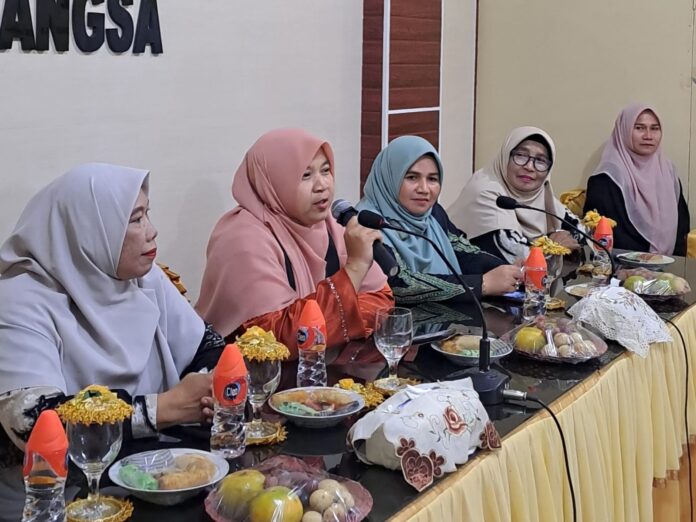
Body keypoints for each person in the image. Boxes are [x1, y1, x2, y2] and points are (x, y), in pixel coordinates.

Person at [0, 163, 228, 520]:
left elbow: (208, 346)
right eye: (135, 220)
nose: (152, 231)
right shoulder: (19, 299)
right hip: (59, 500)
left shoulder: (145, 278)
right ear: (88, 232)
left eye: (147, 214)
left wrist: (206, 390)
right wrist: (161, 409)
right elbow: (34, 421)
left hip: (153, 475)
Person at [196, 129, 393, 359]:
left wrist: (336, 319)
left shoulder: (330, 225)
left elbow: (381, 299)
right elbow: (277, 340)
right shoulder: (242, 238)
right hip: (254, 376)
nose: (322, 185)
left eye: (326, 171)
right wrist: (355, 270)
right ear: (274, 181)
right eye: (305, 175)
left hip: (320, 370)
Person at [356, 136, 523, 303]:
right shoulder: (366, 222)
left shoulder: (432, 213)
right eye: (412, 177)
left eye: (432, 179)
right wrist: (481, 284)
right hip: (394, 318)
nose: (424, 189)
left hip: (445, 316)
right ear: (389, 176)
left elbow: (463, 252)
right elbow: (398, 284)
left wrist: (510, 271)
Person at [448, 127, 583, 263]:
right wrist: (554, 245)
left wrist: (559, 237)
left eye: (540, 161)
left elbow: (581, 231)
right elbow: (517, 256)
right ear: (506, 156)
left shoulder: (540, 195)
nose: (529, 167)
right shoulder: (485, 193)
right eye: (521, 155)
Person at [584, 104, 689, 256]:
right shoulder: (606, 177)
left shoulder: (668, 171)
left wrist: (671, 263)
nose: (648, 136)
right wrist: (643, 262)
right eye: (639, 128)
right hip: (621, 264)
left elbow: (681, 226)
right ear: (624, 130)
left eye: (654, 128)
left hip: (668, 263)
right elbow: (605, 232)